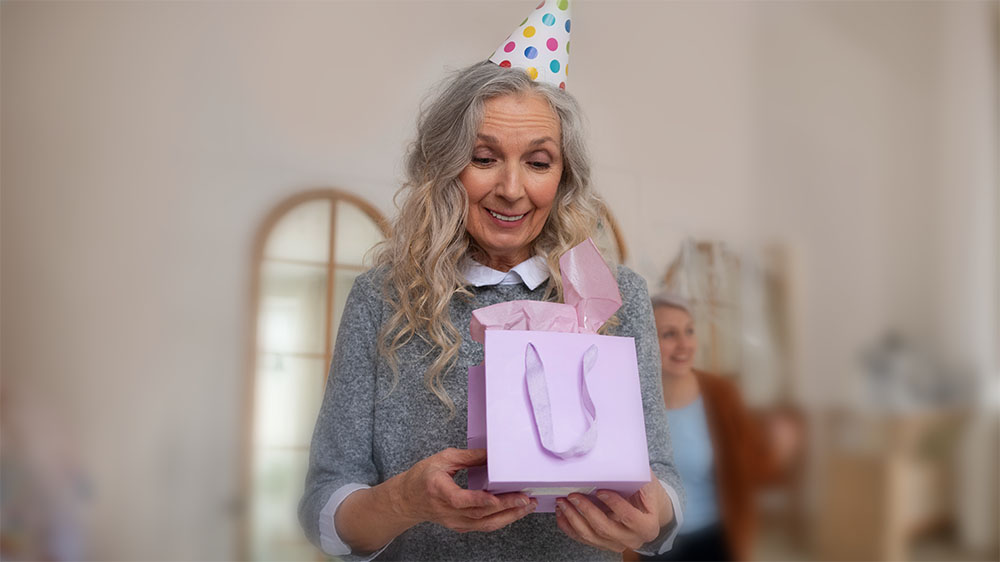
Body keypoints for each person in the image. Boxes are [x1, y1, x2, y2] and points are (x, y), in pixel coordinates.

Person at [296, 30, 686, 560]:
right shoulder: (380, 299)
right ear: (445, 168)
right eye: (484, 158)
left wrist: (653, 519)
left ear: (563, 177)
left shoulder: (618, 297)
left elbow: (659, 476)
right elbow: (325, 503)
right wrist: (405, 501)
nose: (511, 188)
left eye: (539, 162)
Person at [637, 292, 800, 562]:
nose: (684, 344)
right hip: (654, 546)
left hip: (713, 539)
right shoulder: (633, 401)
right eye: (669, 334)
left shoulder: (721, 394)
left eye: (689, 331)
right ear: (647, 342)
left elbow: (749, 466)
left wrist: (780, 448)